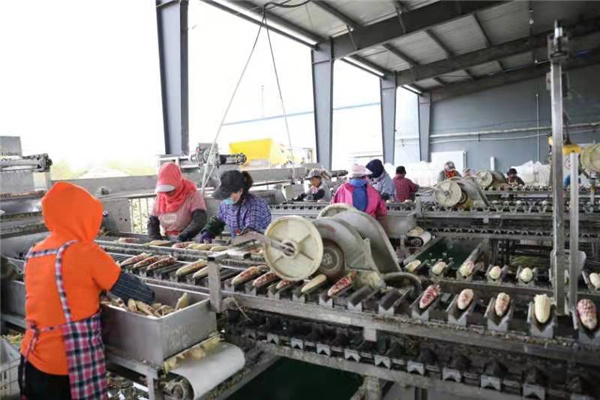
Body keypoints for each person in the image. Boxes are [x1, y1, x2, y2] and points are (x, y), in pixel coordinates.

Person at [19, 182, 154, 400]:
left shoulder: (34, 252)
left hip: (32, 360)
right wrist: (150, 295)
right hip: (68, 366)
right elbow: (135, 291)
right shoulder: (85, 251)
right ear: (82, 217)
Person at [200, 170, 271, 242]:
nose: (225, 198)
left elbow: (251, 233)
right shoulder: (226, 204)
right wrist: (208, 232)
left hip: (259, 245)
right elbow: (218, 220)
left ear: (240, 191)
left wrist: (234, 241)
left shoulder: (254, 205)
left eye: (228, 195)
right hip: (238, 244)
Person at [147, 162, 207, 242]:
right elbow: (152, 223)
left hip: (190, 240)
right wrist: (156, 240)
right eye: (165, 191)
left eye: (170, 190)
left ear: (177, 182)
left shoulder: (192, 194)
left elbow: (199, 220)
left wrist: (182, 237)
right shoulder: (160, 198)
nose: (167, 193)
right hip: (168, 239)